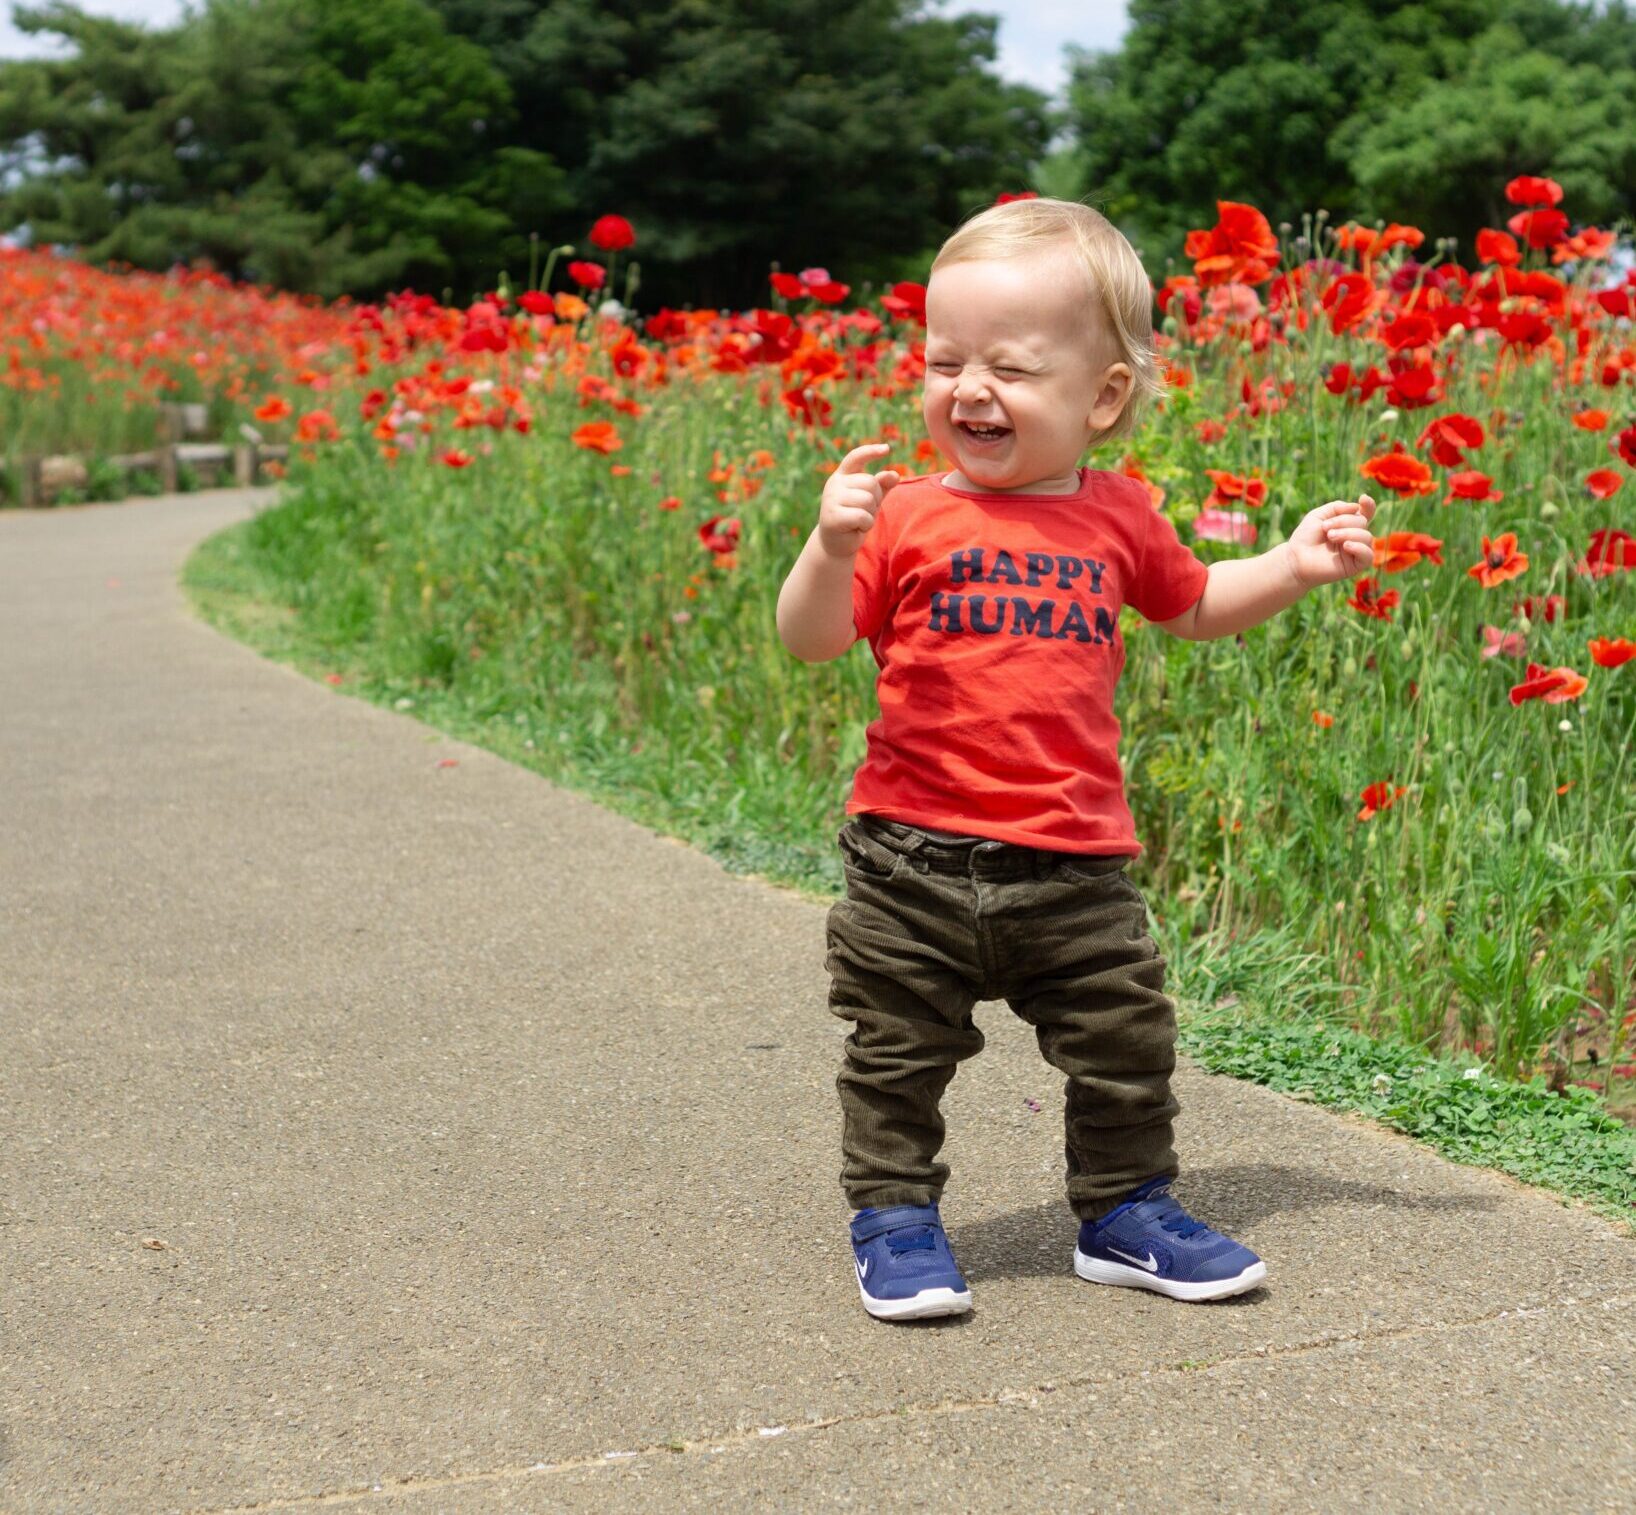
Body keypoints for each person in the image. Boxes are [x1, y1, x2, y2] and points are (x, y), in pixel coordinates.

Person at [775, 196, 1376, 1322]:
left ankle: (1123, 1211)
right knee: (897, 1052)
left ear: (1104, 398)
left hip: (1074, 862)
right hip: (909, 861)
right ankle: (895, 1217)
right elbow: (810, 639)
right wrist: (826, 545)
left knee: (1125, 1044)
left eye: (1009, 366)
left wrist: (1291, 565)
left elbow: (1194, 603)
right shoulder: (902, 516)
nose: (967, 389)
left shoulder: (1121, 517)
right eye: (944, 359)